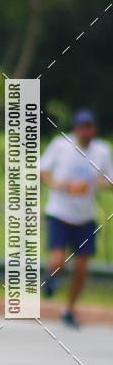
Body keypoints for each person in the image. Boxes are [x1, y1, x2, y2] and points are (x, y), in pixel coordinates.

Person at [40, 109, 113, 327]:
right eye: (82, 128)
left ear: (94, 129)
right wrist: (60, 185)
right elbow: (42, 170)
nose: (86, 132)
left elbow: (110, 181)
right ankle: (51, 278)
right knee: (57, 259)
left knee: (81, 269)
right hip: (59, 212)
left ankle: (69, 309)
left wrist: (100, 183)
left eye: (89, 127)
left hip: (85, 216)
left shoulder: (102, 151)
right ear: (75, 129)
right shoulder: (61, 145)